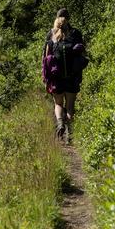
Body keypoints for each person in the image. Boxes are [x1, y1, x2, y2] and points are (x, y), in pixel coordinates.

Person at [42, 8, 86, 140]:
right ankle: (70, 134)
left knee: (58, 104)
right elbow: (82, 52)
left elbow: (45, 58)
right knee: (70, 106)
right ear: (69, 19)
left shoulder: (51, 34)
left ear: (57, 18)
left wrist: (45, 77)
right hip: (72, 76)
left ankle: (60, 123)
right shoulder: (75, 33)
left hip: (56, 78)